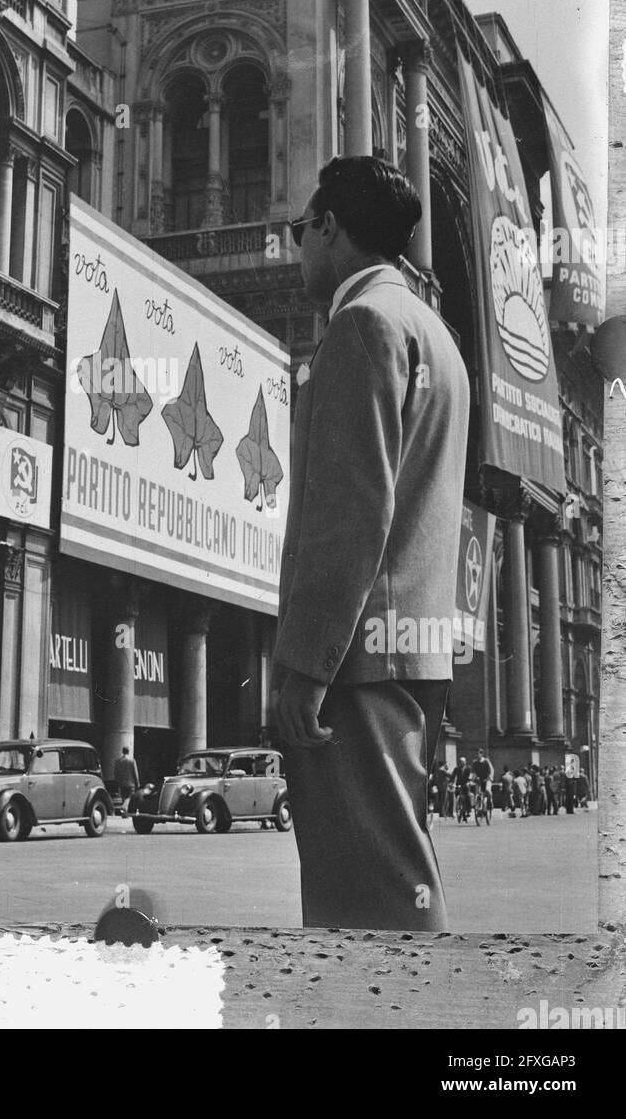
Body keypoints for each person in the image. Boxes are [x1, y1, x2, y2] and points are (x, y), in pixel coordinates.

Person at [274, 156, 470, 932]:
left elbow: (350, 512)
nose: (297, 250)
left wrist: (306, 666)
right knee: (396, 877)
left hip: (356, 667)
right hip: (413, 654)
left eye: (301, 231)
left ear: (329, 228)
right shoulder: (437, 334)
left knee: (365, 903)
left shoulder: (362, 324)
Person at [113, 746, 139, 814]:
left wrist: (117, 781)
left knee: (123, 797)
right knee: (129, 797)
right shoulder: (132, 761)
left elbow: (115, 773)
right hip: (131, 783)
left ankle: (124, 811)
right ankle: (124, 808)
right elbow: (135, 772)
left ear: (122, 752)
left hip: (121, 783)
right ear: (128, 751)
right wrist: (137, 782)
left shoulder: (118, 761)